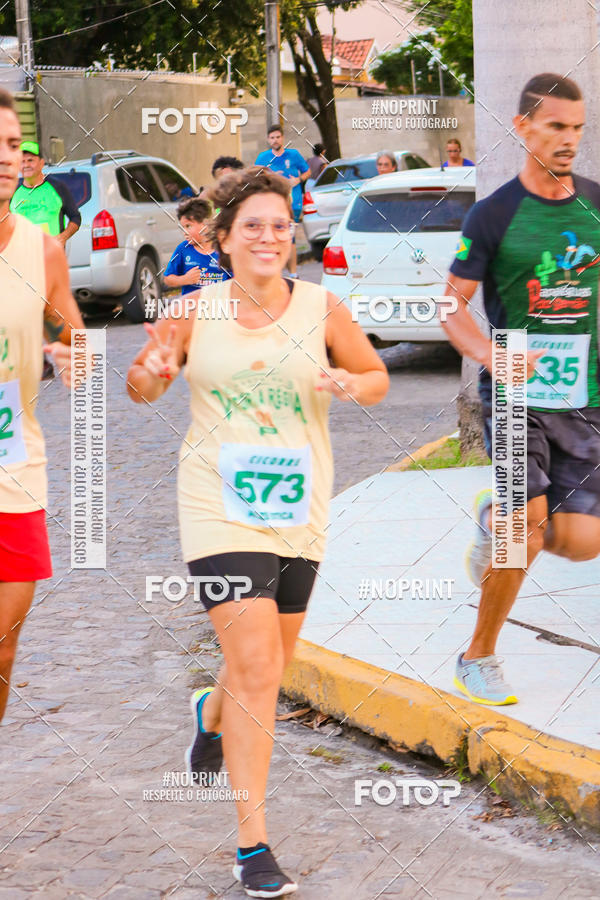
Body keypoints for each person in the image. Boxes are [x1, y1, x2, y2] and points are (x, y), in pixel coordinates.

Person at [127, 166, 388, 896]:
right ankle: (254, 846)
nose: (269, 237)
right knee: (262, 673)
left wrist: (350, 384)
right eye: (253, 226)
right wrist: (148, 369)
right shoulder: (195, 313)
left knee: (263, 665)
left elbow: (375, 377)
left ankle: (210, 715)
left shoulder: (322, 308)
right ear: (225, 238)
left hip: (298, 509)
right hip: (216, 505)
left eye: (280, 225)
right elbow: (145, 385)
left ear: (290, 236)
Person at [441, 73, 600, 705]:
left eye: (577, 127)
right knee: (524, 529)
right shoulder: (492, 215)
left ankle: (490, 516)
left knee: (584, 545)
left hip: (585, 395)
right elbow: (451, 307)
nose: (568, 139)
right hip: (516, 394)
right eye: (556, 126)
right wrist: (489, 355)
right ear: (523, 126)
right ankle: (476, 656)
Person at [0, 87, 84, 722]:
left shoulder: (43, 247)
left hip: (14, 468)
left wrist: (69, 353)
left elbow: (72, 330)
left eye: (11, 145)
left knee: (3, 646)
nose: (6, 159)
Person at [10, 140, 81, 380]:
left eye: (31, 160)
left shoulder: (57, 187)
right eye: (23, 160)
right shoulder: (12, 192)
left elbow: (75, 218)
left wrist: (62, 237)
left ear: (41, 163)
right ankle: (40, 362)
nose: (26, 164)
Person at [255, 125, 310, 278]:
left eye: (278, 137)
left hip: (293, 204)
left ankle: (293, 274)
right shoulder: (263, 158)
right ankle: (275, 274)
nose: (275, 140)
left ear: (283, 138)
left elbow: (307, 171)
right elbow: (255, 178)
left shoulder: (294, 155)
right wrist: (271, 177)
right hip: (271, 205)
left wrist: (299, 179)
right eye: (272, 138)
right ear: (268, 140)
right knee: (274, 238)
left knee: (289, 238)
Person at [163, 197, 231, 295]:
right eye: (183, 228)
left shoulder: (223, 248)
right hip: (192, 307)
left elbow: (236, 280)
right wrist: (185, 279)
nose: (184, 232)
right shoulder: (183, 249)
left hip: (218, 305)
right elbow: (167, 279)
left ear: (205, 224)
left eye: (188, 226)